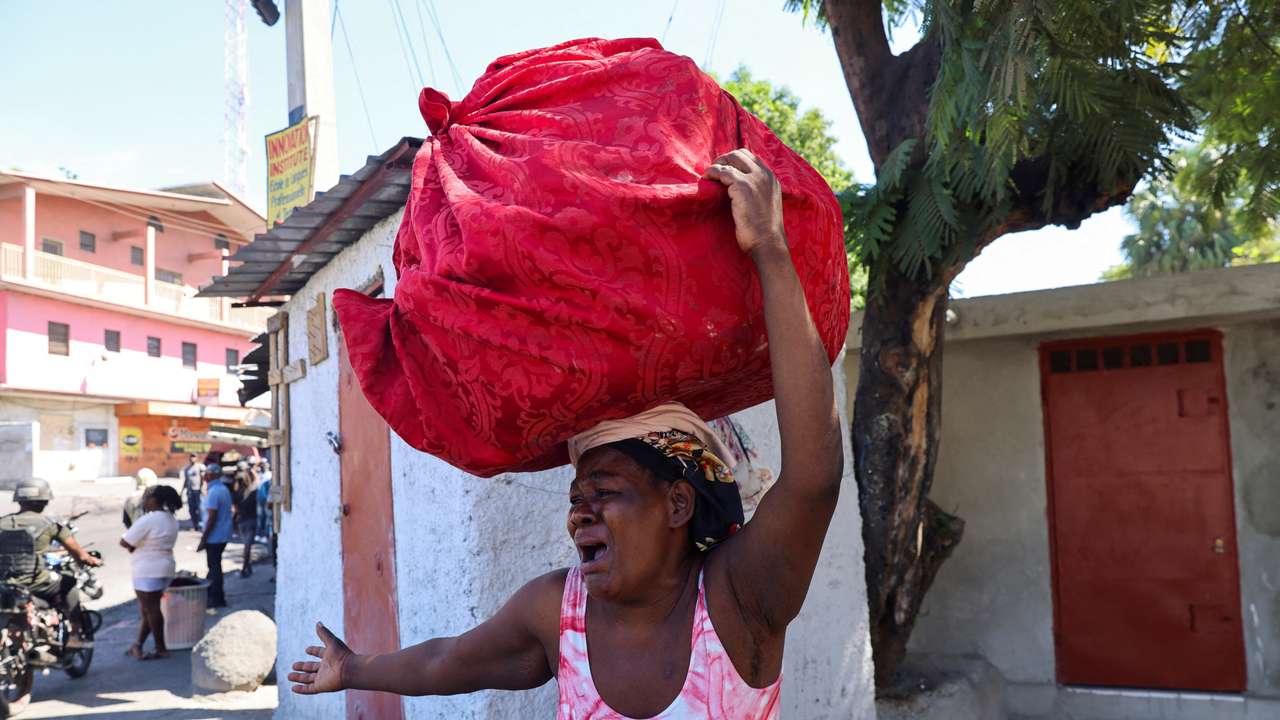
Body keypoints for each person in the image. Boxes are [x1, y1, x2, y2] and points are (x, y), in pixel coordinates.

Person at [289, 149, 844, 719]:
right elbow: (446, 661)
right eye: (577, 497)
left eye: (604, 492)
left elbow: (814, 478)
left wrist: (770, 248)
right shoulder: (558, 612)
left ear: (678, 503)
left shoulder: (737, 597)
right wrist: (352, 669)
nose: (579, 514)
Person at [0, 478, 104, 643]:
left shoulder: (3, 522)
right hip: (36, 582)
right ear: (44, 501)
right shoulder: (50, 525)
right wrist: (93, 561)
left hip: (5, 583)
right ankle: (75, 633)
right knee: (69, 582)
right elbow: (81, 555)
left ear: (18, 500)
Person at [120, 485, 181, 660]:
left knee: (151, 609)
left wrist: (136, 544)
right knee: (149, 609)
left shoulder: (148, 519)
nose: (144, 501)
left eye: (147, 498)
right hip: (166, 566)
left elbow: (125, 542)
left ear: (155, 500)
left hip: (147, 569)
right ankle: (138, 645)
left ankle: (160, 648)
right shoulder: (171, 519)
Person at [196, 464, 235, 608]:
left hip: (215, 536)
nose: (205, 476)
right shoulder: (222, 489)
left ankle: (216, 598)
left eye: (208, 473)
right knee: (215, 566)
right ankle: (215, 596)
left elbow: (211, 517)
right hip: (222, 534)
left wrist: (204, 539)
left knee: (214, 568)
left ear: (214, 475)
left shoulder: (214, 491)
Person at [231, 461, 259, 578]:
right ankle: (245, 567)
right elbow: (257, 481)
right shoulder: (252, 491)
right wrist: (252, 470)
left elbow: (234, 509)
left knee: (246, 545)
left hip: (241, 521)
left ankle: (247, 567)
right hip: (251, 520)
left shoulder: (236, 493)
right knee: (247, 546)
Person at [181, 453, 204, 532]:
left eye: (194, 457)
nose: (192, 458)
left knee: (199, 508)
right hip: (190, 491)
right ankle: (195, 525)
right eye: (191, 457)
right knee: (191, 509)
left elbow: (203, 478)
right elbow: (186, 480)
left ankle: (201, 524)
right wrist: (182, 491)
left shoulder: (200, 467)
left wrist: (202, 488)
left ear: (197, 458)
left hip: (197, 490)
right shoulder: (187, 469)